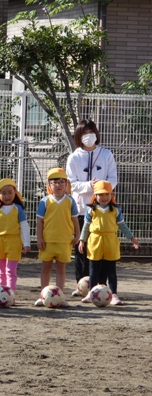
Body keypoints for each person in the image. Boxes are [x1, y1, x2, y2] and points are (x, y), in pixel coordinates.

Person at [66, 119, 118, 296]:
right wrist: (89, 185)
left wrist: (101, 189)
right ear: (78, 136)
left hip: (102, 209)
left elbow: (113, 178)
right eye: (85, 133)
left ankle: (101, 286)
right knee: (81, 247)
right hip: (81, 209)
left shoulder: (106, 154)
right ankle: (82, 285)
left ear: (96, 134)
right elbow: (71, 183)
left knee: (101, 249)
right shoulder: (74, 157)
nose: (89, 136)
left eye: (91, 132)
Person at [79, 181, 139, 305]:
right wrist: (82, 241)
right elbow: (86, 227)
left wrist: (132, 238)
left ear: (112, 195)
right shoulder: (91, 210)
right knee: (94, 269)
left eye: (107, 194)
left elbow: (122, 226)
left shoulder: (115, 210)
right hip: (95, 240)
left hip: (111, 241)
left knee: (111, 269)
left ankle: (114, 294)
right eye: (101, 194)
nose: (104, 197)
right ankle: (91, 293)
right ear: (95, 195)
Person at [34, 168, 81, 307]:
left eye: (62, 182)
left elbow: (75, 220)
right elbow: (40, 221)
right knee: (46, 268)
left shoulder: (70, 201)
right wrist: (39, 238)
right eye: (55, 182)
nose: (59, 185)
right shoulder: (44, 201)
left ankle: (60, 296)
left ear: (66, 184)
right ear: (49, 185)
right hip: (47, 240)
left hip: (65, 241)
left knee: (61, 269)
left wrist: (78, 235)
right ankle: (43, 296)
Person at [0, 178, 30, 298]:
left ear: (15, 192)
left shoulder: (18, 209)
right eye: (3, 193)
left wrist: (26, 243)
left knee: (10, 271)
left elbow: (24, 226)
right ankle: (1, 294)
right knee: (1, 271)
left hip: (14, 242)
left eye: (10, 192)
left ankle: (10, 295)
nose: (7, 196)